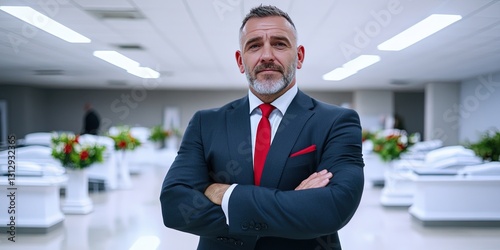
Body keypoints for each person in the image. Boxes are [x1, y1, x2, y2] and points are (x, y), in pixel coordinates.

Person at [160, 5, 364, 250]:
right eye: (254, 45)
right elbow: (175, 206)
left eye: (279, 44)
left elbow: (333, 208)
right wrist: (293, 206)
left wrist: (226, 195)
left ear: (299, 56)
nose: (267, 55)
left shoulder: (337, 121)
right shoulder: (206, 123)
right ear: (240, 60)